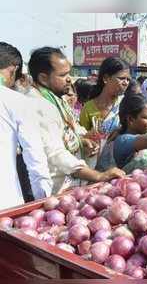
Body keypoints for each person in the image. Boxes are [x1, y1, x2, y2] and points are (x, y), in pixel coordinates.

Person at [27, 46, 125, 194]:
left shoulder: (55, 98)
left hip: (69, 183)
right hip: (55, 189)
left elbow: (68, 128)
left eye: (69, 73)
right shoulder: (37, 104)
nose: (69, 79)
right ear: (43, 78)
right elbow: (56, 154)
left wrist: (83, 139)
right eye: (63, 75)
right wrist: (98, 175)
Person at [0, 42, 52, 208]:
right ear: (14, 69)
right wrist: (43, 201)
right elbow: (35, 156)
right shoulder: (17, 101)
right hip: (5, 205)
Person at [80, 57, 131, 135]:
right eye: (121, 78)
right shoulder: (88, 108)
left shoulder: (127, 104)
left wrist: (121, 130)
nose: (126, 83)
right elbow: (82, 137)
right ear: (106, 78)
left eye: (128, 79)